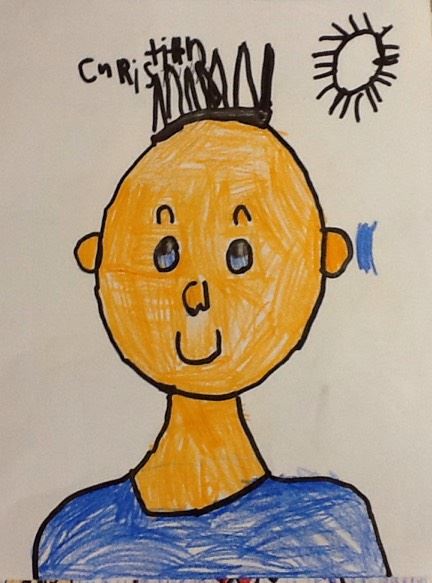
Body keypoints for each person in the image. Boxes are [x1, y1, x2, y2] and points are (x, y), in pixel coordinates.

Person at [33, 42, 390, 579]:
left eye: (239, 254)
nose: (196, 290)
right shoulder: (73, 542)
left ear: (325, 257)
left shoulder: (334, 532)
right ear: (99, 259)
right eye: (166, 253)